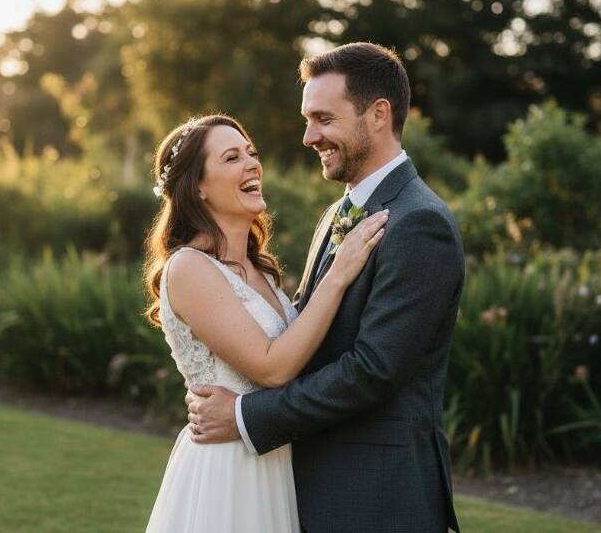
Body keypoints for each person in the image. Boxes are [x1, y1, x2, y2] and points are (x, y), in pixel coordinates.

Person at [186, 42, 464, 533]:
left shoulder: (420, 223)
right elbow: (303, 329)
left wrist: (247, 414)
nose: (308, 136)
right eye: (308, 119)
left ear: (378, 115)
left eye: (323, 119)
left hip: (377, 495)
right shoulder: (338, 214)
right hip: (314, 484)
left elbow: (373, 371)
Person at [143, 113, 389, 533]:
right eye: (232, 157)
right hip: (228, 469)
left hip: (276, 459)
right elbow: (273, 368)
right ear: (198, 186)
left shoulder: (263, 274)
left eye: (252, 153)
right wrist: (340, 272)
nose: (252, 164)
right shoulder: (188, 268)